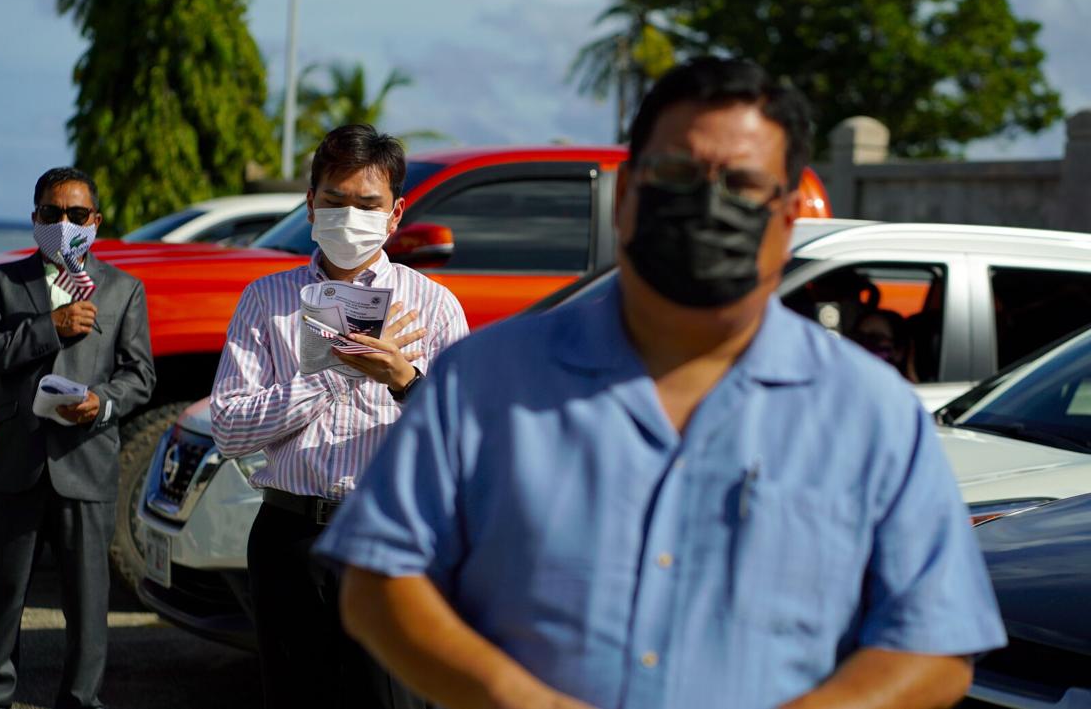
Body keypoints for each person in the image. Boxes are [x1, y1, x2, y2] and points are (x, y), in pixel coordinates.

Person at [313, 58, 1007, 709]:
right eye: (677, 176)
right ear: (626, 197)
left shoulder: (870, 412)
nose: (706, 206)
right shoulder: (484, 379)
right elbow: (378, 585)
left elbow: (937, 645)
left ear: (789, 214)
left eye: (741, 185)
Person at [210, 124, 469, 709]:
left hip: (390, 537)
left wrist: (403, 379)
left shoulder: (433, 306)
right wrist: (337, 372)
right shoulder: (266, 300)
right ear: (310, 205)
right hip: (290, 537)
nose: (350, 217)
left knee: (391, 697)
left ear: (395, 213)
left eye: (367, 204)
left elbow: (462, 444)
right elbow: (228, 428)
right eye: (335, 201)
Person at [0, 167, 156, 709]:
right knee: (0, 600)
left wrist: (102, 403)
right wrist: (52, 326)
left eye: (75, 214)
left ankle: (80, 701)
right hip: (17, 465)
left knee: (88, 608)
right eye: (52, 213)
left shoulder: (123, 289)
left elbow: (140, 375)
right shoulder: (0, 283)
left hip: (86, 464)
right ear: (35, 218)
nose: (63, 223)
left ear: (95, 221)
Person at [852, 308, 917, 382]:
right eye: (859, 337)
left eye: (876, 338)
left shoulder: (908, 388)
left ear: (899, 351)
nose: (865, 343)